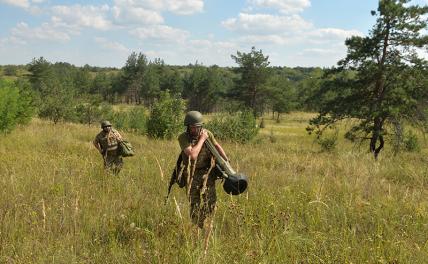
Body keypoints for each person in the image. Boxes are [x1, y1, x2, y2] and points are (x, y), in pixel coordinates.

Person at [178, 111, 229, 229]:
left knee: (211, 203)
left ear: (201, 126)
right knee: (194, 204)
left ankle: (200, 223)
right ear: (187, 127)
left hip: (207, 173)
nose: (194, 130)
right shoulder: (183, 137)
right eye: (192, 127)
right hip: (191, 174)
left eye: (197, 127)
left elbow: (216, 146)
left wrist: (226, 161)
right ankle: (196, 227)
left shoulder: (207, 134)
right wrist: (202, 139)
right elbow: (192, 155)